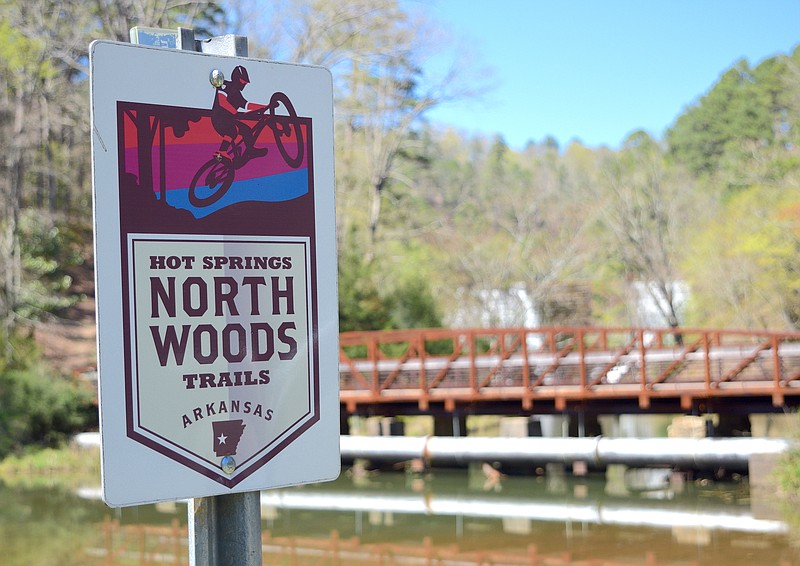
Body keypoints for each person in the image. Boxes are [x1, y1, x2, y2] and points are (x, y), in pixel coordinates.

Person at [210, 65, 269, 161]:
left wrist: (264, 106)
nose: (244, 85)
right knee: (232, 131)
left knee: (246, 130)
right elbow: (222, 101)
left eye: (245, 83)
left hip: (230, 120)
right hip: (219, 119)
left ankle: (250, 151)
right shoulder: (225, 85)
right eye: (243, 82)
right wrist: (235, 113)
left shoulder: (238, 94)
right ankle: (222, 151)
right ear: (237, 79)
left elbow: (247, 105)